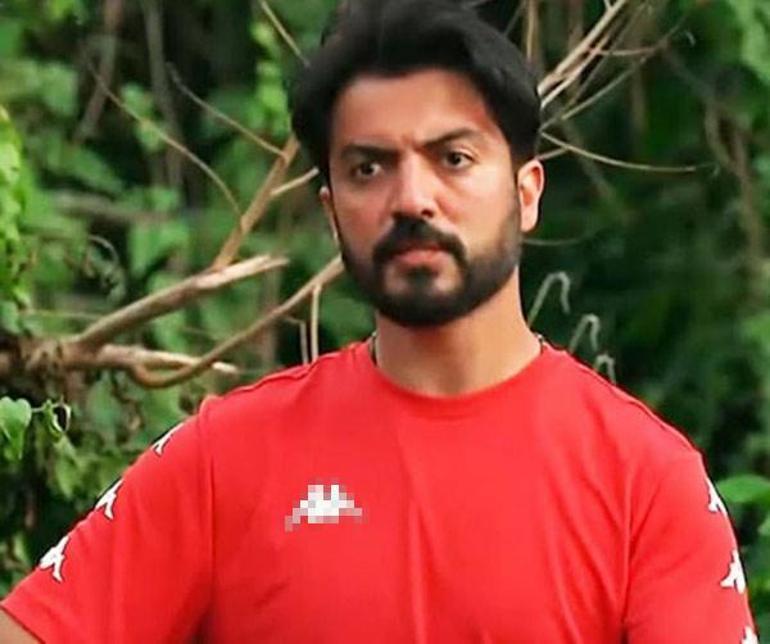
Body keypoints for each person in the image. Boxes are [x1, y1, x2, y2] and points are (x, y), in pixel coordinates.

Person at [0, 0, 759, 641]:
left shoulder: (645, 481)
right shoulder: (225, 460)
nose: (411, 199)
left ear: (527, 192)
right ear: (332, 209)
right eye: (369, 168)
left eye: (453, 159)